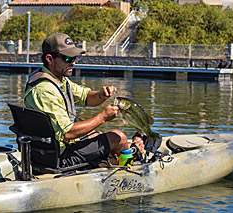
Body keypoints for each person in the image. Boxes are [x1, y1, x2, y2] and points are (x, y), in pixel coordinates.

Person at [24, 33, 144, 169]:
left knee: (97, 134)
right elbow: (67, 133)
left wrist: (101, 95)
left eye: (74, 58)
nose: (73, 62)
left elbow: (85, 97)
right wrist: (103, 117)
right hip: (58, 157)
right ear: (50, 59)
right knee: (118, 137)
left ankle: (117, 159)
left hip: (52, 149)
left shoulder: (57, 79)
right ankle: (125, 173)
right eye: (68, 58)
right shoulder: (44, 90)